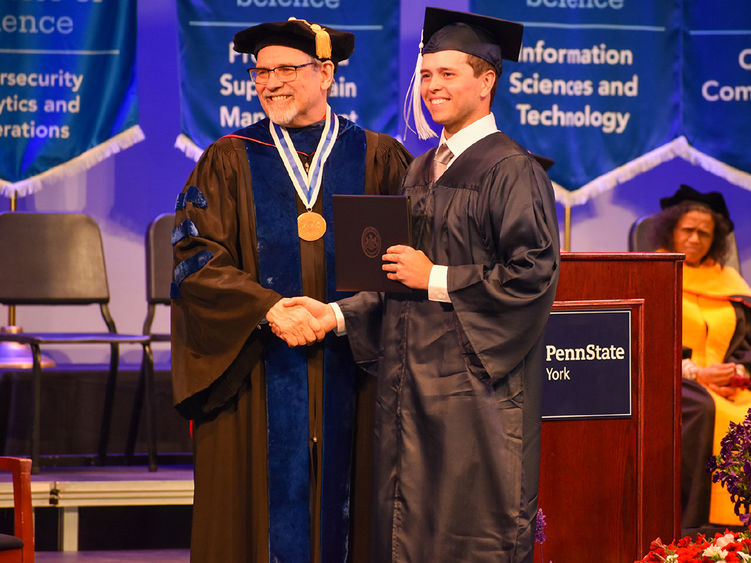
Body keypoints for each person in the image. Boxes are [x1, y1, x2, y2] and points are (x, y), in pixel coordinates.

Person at [289, 7, 560, 561]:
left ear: (486, 82)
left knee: (469, 532)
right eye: (426, 75)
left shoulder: (513, 169)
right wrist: (335, 316)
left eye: (448, 74)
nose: (432, 87)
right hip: (409, 386)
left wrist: (434, 276)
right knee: (406, 531)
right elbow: (396, 278)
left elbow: (532, 274)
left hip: (475, 396)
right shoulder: (420, 170)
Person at [170, 18, 411, 563]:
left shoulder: (375, 158)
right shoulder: (228, 159)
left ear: (325, 73)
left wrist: (338, 316)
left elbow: (396, 270)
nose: (270, 81)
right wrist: (270, 308)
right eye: (261, 71)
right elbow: (195, 259)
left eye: (286, 69)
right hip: (256, 365)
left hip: (353, 367)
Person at [650, 184, 751, 529]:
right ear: (671, 230)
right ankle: (695, 525)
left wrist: (737, 370)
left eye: (704, 234)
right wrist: (695, 374)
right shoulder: (654, 271)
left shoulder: (729, 282)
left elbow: (745, 343)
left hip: (729, 384)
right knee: (704, 408)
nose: (695, 239)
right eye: (688, 230)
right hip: (671, 377)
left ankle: (743, 525)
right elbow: (645, 340)